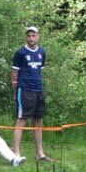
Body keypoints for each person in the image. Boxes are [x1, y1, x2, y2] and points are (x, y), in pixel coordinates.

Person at [12, 26, 53, 163]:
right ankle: (16, 153)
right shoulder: (20, 53)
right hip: (25, 89)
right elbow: (14, 74)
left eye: (33, 35)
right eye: (29, 36)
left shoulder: (42, 52)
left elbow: (39, 70)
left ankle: (40, 153)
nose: (31, 38)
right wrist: (15, 90)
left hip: (38, 90)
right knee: (21, 120)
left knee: (38, 120)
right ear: (26, 37)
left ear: (38, 36)